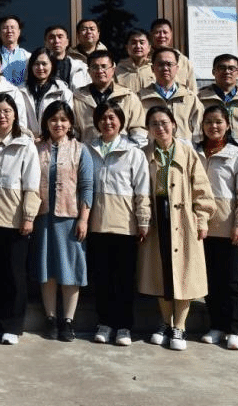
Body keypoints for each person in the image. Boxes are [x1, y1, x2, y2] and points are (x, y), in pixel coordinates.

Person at [138, 106, 215, 351]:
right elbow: (140, 188)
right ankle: (165, 322)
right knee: (161, 272)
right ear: (148, 129)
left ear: (173, 124)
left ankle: (179, 326)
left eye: (164, 122)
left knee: (184, 274)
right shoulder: (144, 154)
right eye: (154, 124)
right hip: (157, 217)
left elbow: (202, 189)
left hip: (183, 220)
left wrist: (202, 219)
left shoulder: (187, 153)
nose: (160, 128)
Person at [0, 93, 41, 346]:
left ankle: (13, 326)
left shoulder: (25, 144)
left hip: (14, 218)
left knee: (15, 275)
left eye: (6, 111)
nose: (1, 116)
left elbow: (32, 184)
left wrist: (28, 216)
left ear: (15, 115)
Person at [86, 102, 150, 347]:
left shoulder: (133, 152)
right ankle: (104, 323)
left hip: (125, 224)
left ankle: (123, 326)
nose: (107, 122)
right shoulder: (88, 149)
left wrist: (143, 220)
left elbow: (142, 189)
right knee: (102, 278)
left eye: (112, 117)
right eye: (103, 118)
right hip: (97, 224)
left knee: (124, 279)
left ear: (121, 121)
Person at [32, 101, 93, 342]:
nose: (58, 124)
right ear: (46, 122)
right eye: (54, 119)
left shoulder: (80, 150)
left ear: (71, 123)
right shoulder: (36, 148)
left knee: (70, 268)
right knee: (47, 268)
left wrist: (83, 219)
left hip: (70, 218)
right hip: (42, 216)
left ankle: (68, 320)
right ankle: (50, 318)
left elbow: (87, 186)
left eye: (63, 120)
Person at [196, 104, 238, 350]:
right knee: (211, 281)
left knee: (231, 282)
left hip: (230, 228)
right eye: (209, 122)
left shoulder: (237, 155)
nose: (214, 126)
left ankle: (235, 329)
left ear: (228, 125)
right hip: (202, 228)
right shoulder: (195, 153)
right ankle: (217, 326)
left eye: (219, 122)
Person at [71, 50, 146, 145]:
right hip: (88, 150)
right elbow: (74, 132)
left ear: (113, 69)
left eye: (104, 66)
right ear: (89, 71)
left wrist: (131, 150)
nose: (100, 71)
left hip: (121, 150)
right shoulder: (78, 97)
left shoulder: (128, 96)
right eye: (95, 67)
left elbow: (138, 130)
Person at [137, 47, 203, 142]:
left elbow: (198, 132)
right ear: (152, 68)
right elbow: (137, 130)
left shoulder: (190, 98)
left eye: (169, 64)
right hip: (151, 149)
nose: (165, 68)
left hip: (184, 150)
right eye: (160, 64)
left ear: (177, 68)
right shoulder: (140, 98)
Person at [198, 53, 238, 147]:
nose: (227, 72)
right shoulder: (199, 99)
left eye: (231, 68)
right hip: (208, 150)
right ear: (213, 72)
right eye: (222, 68)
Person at [19, 48, 74, 136]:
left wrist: (46, 139)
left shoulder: (62, 91)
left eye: (44, 64)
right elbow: (19, 122)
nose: (40, 68)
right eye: (36, 64)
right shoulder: (20, 91)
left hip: (54, 140)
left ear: (52, 65)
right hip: (26, 141)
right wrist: (30, 139)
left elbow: (68, 121)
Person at [149, 18, 197, 92]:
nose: (162, 36)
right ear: (151, 34)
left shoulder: (183, 61)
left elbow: (193, 89)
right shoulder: (144, 60)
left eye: (165, 32)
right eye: (157, 32)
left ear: (171, 34)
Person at [42, 24, 90, 89]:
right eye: (52, 37)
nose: (56, 41)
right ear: (46, 43)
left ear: (67, 42)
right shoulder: (39, 67)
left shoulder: (81, 67)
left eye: (60, 37)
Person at [115, 29, 154, 93]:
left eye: (141, 43)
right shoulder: (118, 70)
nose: (138, 46)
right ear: (127, 47)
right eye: (133, 43)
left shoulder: (156, 68)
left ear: (149, 47)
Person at [0, 15, 30, 86]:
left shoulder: (28, 57)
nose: (9, 31)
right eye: (5, 28)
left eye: (12, 27)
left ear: (19, 32)